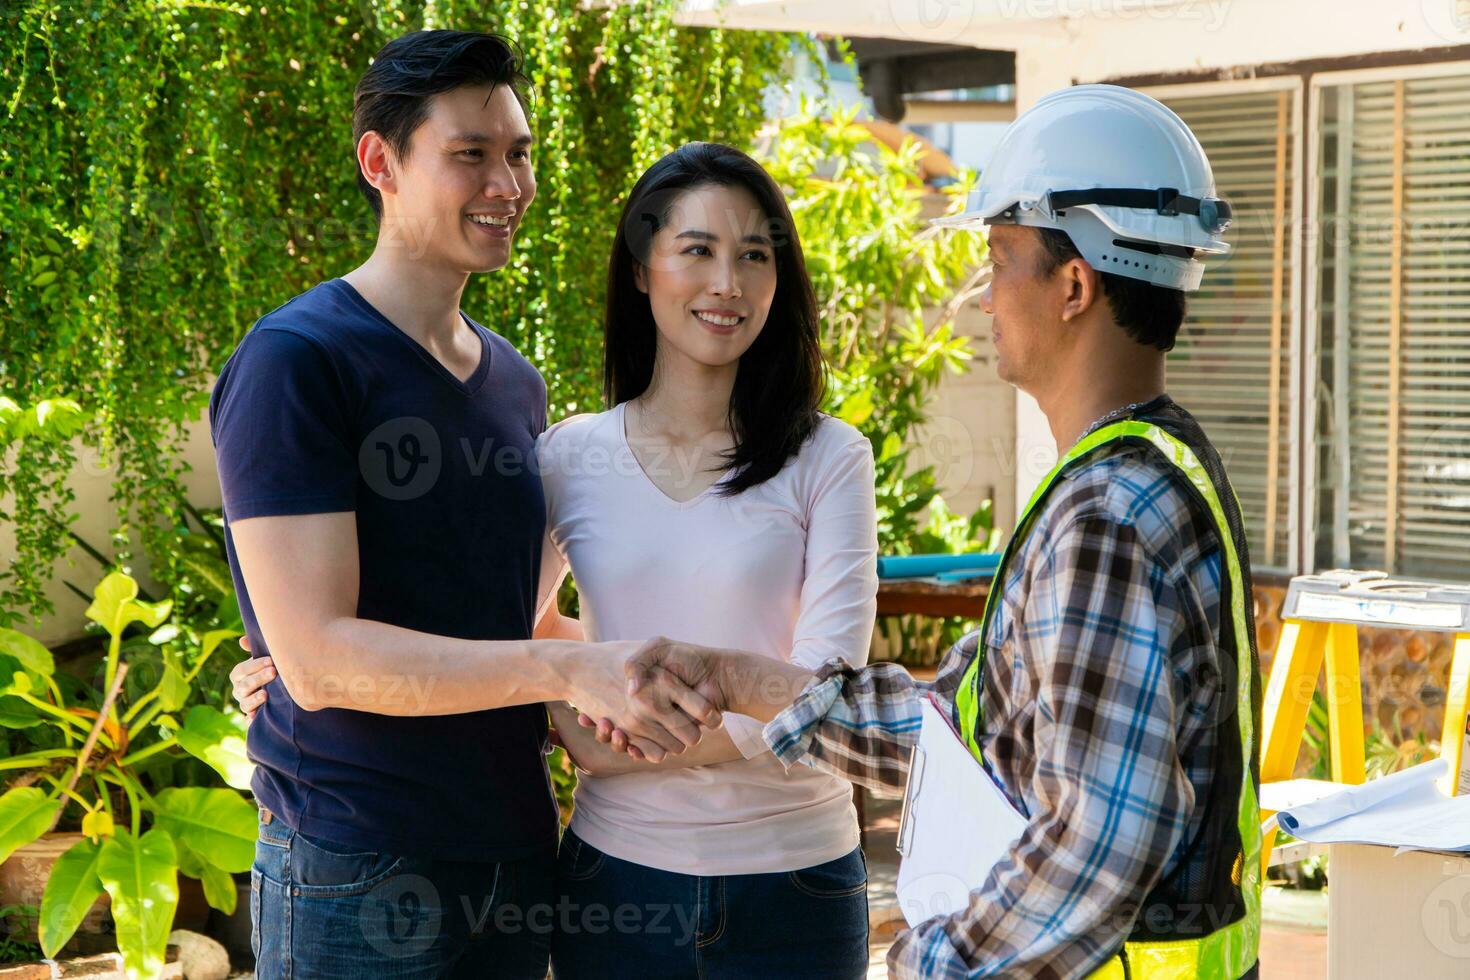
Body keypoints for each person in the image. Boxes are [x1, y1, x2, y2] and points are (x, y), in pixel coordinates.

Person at [595, 84, 1266, 980]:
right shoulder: (1153, 464)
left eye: (999, 259)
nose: (983, 296)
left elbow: (1097, 841)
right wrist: (742, 679)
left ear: (1074, 284)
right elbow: (966, 737)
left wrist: (928, 965)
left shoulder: (1105, 516)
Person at [235, 141, 878, 978]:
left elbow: (828, 689)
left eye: (756, 255)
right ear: (643, 269)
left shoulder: (830, 456)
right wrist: (298, 660)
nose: (729, 284)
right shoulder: (570, 455)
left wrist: (610, 731)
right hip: (615, 881)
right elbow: (509, 624)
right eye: (698, 251)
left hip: (796, 883)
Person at [211, 30, 713, 980]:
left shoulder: (515, 384)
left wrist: (636, 677)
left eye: (518, 153)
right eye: (470, 155)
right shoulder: (297, 362)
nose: (508, 184)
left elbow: (508, 615)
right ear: (380, 163)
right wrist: (570, 673)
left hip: (515, 853)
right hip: (359, 861)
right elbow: (318, 663)